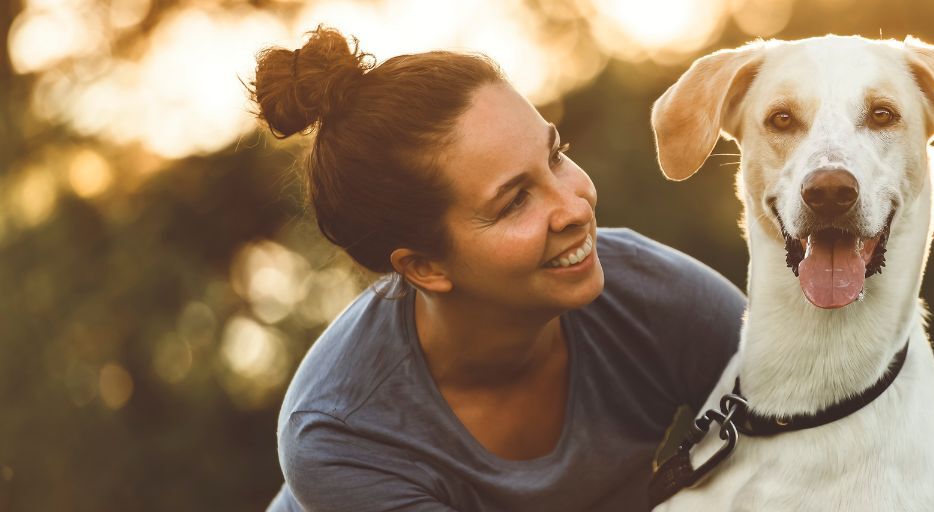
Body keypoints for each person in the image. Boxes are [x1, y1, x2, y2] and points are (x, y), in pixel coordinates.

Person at [250, 26, 744, 511]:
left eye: (556, 157)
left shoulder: (652, 294)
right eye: (514, 203)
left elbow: (807, 413)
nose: (575, 208)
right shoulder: (343, 434)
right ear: (424, 267)